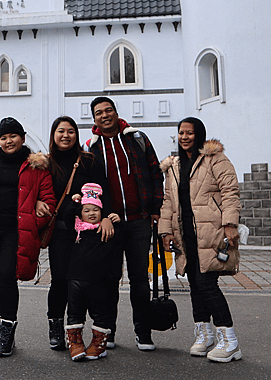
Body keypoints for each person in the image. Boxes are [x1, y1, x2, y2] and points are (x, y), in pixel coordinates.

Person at [158, 117, 241, 363]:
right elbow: (167, 202)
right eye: (181, 133)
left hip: (211, 232)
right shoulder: (173, 166)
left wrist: (230, 224)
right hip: (186, 236)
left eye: (190, 133)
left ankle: (230, 340)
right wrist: (166, 231)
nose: (185, 137)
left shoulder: (215, 159)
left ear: (200, 134)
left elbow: (230, 191)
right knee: (195, 284)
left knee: (207, 285)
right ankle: (204, 335)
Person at [84, 97, 163, 351]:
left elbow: (155, 174)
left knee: (140, 279)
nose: (104, 115)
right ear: (93, 119)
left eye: (108, 110)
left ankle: (143, 332)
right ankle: (108, 332)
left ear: (116, 113)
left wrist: (155, 209)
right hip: (111, 224)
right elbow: (90, 188)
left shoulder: (137, 138)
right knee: (109, 280)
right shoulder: (90, 147)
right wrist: (102, 215)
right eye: (99, 113)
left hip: (139, 221)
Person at [0, 117, 55, 357]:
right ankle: (0, 329)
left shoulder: (37, 167)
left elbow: (49, 201)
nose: (8, 141)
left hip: (16, 232)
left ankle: (8, 331)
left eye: (13, 136)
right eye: (4, 137)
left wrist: (34, 217)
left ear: (23, 138)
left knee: (7, 276)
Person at [45, 116, 99, 351]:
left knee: (83, 282)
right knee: (59, 281)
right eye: (60, 131)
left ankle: (75, 329)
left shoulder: (88, 161)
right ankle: (56, 327)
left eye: (70, 131)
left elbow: (101, 190)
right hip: (59, 232)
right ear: (53, 135)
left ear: (76, 135)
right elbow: (39, 191)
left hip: (86, 233)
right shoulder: (45, 163)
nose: (65, 135)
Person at [63, 183, 120, 361]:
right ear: (80, 213)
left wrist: (116, 220)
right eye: (86, 210)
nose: (91, 213)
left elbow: (117, 251)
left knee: (101, 313)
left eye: (96, 210)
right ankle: (75, 342)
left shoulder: (108, 230)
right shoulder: (77, 228)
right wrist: (75, 202)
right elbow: (66, 215)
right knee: (74, 313)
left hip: (99, 280)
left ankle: (99, 344)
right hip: (76, 279)